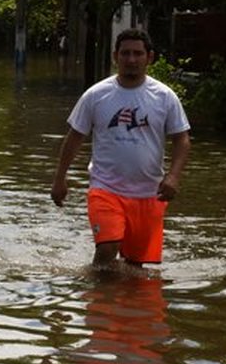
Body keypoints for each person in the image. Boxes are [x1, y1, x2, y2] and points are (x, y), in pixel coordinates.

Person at [51, 28, 191, 266]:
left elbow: (182, 139)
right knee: (108, 247)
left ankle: (120, 300)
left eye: (138, 54)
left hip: (149, 193)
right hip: (105, 188)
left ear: (150, 57)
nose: (131, 60)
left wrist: (174, 176)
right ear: (115, 57)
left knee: (136, 266)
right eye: (125, 53)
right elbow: (75, 137)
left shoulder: (165, 97)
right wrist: (59, 178)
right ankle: (97, 296)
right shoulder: (96, 95)